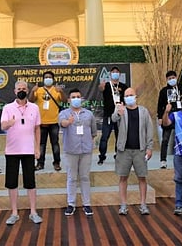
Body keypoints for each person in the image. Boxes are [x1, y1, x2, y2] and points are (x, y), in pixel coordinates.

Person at [1, 81, 43, 225]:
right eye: (19, 89)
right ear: (14, 91)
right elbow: (2, 125)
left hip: (29, 150)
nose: (21, 91)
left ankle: (33, 211)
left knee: (30, 182)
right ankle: (14, 212)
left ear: (27, 90)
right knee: (12, 183)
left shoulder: (34, 107)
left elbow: (37, 129)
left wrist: (37, 148)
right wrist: (9, 124)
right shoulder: (7, 108)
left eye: (24, 89)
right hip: (12, 151)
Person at [112, 88, 154, 215]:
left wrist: (149, 147)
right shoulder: (121, 109)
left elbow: (149, 130)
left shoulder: (143, 111)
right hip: (124, 150)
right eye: (126, 95)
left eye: (131, 95)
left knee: (142, 177)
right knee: (123, 177)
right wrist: (118, 113)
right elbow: (113, 119)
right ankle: (123, 205)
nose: (129, 97)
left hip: (140, 150)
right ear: (124, 98)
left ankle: (143, 204)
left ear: (136, 96)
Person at [59, 88, 97, 216]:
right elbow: (62, 123)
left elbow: (93, 132)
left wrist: (91, 143)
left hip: (86, 150)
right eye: (73, 97)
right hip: (71, 150)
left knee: (85, 177)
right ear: (69, 100)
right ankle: (71, 204)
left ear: (82, 99)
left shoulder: (89, 114)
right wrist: (68, 122)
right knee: (72, 178)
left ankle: (87, 204)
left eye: (78, 97)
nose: (76, 99)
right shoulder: (64, 113)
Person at [29, 71, 66, 171]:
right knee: (41, 144)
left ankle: (57, 163)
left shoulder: (56, 90)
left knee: (55, 143)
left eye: (50, 77)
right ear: (43, 79)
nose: (48, 78)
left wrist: (61, 91)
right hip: (41, 122)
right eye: (46, 77)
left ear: (53, 79)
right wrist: (32, 91)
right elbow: (31, 100)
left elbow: (64, 101)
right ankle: (40, 163)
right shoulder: (39, 90)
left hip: (54, 121)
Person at [157, 70, 182, 169]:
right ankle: (163, 161)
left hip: (180, 116)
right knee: (165, 139)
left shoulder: (181, 88)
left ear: (176, 78)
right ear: (166, 80)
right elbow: (160, 105)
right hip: (168, 116)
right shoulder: (164, 91)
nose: (172, 80)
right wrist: (160, 117)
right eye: (169, 79)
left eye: (173, 78)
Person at [98, 66, 129, 165]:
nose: (115, 73)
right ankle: (102, 157)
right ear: (110, 74)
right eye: (113, 72)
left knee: (119, 136)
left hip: (119, 115)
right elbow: (101, 89)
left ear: (119, 74)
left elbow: (127, 98)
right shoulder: (106, 85)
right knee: (104, 136)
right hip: (108, 115)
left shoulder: (123, 86)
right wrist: (101, 86)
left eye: (117, 72)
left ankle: (118, 155)